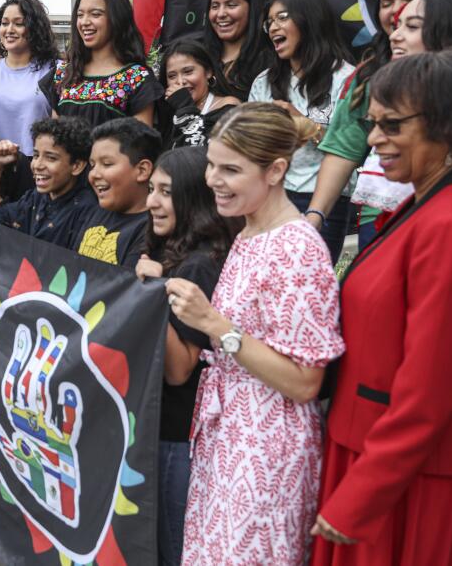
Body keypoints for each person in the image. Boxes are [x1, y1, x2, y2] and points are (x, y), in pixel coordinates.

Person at [310, 48, 452, 565]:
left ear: (450, 128)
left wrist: (362, 492)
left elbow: (430, 386)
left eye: (391, 126)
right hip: (381, 458)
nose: (373, 141)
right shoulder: (430, 201)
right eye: (373, 125)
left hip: (414, 478)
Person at [165, 103, 344, 565]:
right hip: (226, 437)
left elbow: (306, 382)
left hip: (266, 452)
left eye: (230, 169)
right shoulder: (249, 233)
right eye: (211, 165)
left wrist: (214, 326)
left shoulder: (299, 249)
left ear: (276, 171)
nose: (212, 180)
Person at [312, 0, 452, 250]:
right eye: (396, 22)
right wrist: (315, 215)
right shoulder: (372, 78)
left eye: (393, 124)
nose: (395, 35)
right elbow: (343, 149)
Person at [134, 147, 240, 566]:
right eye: (152, 189)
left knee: (172, 549)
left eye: (166, 192)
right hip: (161, 428)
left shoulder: (198, 266)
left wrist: (155, 294)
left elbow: (179, 370)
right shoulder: (172, 254)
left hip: (178, 437)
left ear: (195, 198)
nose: (152, 202)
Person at [248, 0, 356, 262]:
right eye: (269, 22)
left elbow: (353, 147)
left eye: (282, 17)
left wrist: (303, 123)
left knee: (306, 288)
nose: (273, 27)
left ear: (310, 19)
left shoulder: (347, 79)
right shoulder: (264, 82)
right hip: (270, 198)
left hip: (325, 202)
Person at [41, 0, 162, 128]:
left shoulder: (137, 77)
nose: (85, 22)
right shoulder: (63, 73)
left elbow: (141, 142)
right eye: (80, 15)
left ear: (117, 18)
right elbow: (54, 137)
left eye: (96, 14)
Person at [0, 117, 97, 248]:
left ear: (77, 166)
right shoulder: (34, 199)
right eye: (36, 155)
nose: (37, 165)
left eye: (50, 158)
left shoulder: (88, 212)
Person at [0, 0, 57, 154]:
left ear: (35, 28)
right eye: (4, 23)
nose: (9, 30)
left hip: (40, 168)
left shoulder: (56, 70)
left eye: (19, 23)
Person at [73, 118, 159, 266]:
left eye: (107, 164)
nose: (94, 174)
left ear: (142, 170)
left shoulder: (152, 230)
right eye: (92, 165)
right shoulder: (95, 212)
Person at [161, 39, 241, 149]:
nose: (180, 81)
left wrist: (185, 107)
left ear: (208, 72)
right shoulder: (170, 109)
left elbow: (204, 152)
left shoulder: (228, 106)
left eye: (188, 71)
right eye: (172, 76)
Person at [201, 0, 270, 101]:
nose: (221, 14)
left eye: (231, 5)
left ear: (252, 8)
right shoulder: (199, 57)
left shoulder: (269, 64)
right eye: (214, 6)